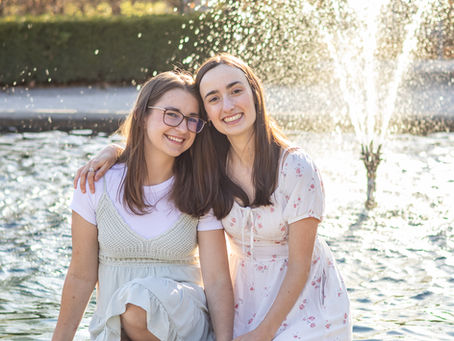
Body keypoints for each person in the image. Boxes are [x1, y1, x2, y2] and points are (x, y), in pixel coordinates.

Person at [77, 54, 352, 340]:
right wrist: (116, 151)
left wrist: (263, 333)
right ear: (205, 114)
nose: (228, 106)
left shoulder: (295, 167)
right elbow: (157, 147)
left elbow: (300, 265)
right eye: (214, 98)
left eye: (236, 91)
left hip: (305, 302)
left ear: (254, 94)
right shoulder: (211, 169)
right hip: (246, 300)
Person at [53, 71, 234, 341]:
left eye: (192, 120)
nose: (182, 128)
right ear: (141, 115)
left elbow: (217, 279)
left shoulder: (201, 188)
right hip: (114, 329)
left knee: (137, 306)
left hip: (184, 321)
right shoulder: (96, 183)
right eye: (171, 114)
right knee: (130, 309)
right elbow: (80, 274)